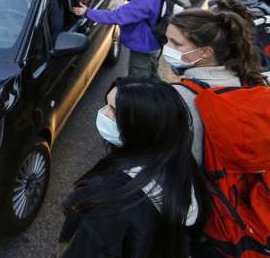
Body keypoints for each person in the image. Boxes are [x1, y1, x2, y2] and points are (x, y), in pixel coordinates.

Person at [57, 78, 205, 258]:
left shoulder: (105, 200)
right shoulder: (179, 164)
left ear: (140, 127)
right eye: (106, 104)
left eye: (113, 110)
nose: (103, 113)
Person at [166, 9, 270, 165]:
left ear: (205, 52)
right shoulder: (248, 79)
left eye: (176, 43)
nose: (167, 47)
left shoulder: (179, 96)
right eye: (167, 40)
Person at [72, 0, 164, 78]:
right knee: (151, 76)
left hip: (144, 47)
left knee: (139, 82)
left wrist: (88, 12)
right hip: (150, 42)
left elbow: (118, 16)